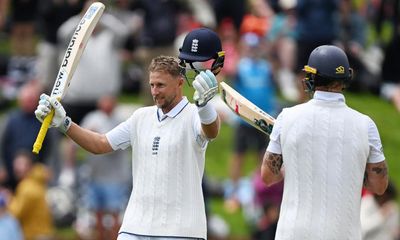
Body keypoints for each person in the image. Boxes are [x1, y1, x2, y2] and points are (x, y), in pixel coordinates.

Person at [34, 27, 224, 239]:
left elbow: (211, 131)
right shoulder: (140, 117)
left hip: (181, 231)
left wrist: (205, 106)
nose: (154, 91)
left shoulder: (193, 115)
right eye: (152, 85)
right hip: (135, 226)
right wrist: (65, 123)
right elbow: (100, 144)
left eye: (160, 85)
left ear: (180, 83)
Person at [261, 45, 389, 240]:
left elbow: (268, 176)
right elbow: (379, 186)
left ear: (312, 78)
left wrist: (292, 166)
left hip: (293, 233)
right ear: (345, 78)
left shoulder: (287, 118)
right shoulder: (366, 126)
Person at [8, 150, 54, 240]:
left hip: (35, 236)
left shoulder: (27, 187)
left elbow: (16, 213)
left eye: (20, 164)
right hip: (45, 233)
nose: (16, 168)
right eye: (15, 164)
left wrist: (8, 199)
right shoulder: (37, 180)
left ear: (29, 166)